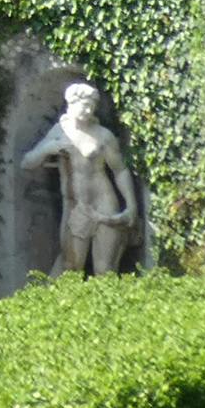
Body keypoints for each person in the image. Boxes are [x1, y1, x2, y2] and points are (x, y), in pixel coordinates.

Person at [19, 81, 142, 276]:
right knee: (71, 266)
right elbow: (27, 163)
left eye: (92, 106)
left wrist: (131, 205)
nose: (88, 110)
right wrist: (48, 148)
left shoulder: (103, 135)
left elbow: (119, 170)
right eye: (84, 105)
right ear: (71, 104)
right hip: (78, 207)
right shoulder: (60, 131)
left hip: (104, 202)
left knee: (106, 269)